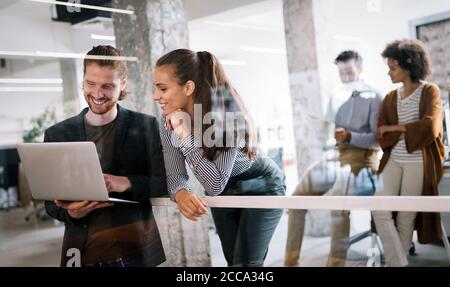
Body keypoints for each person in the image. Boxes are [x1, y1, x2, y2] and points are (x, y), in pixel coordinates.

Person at [153, 48, 285, 266]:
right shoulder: (166, 121)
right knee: (233, 261)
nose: (155, 96)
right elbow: (175, 175)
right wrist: (181, 193)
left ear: (188, 87)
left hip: (262, 184)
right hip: (224, 185)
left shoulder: (225, 115)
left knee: (246, 265)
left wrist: (185, 135)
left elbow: (215, 184)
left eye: (162, 88)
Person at [44, 45, 167, 267]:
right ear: (83, 79)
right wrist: (74, 214)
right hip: (81, 256)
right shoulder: (58, 134)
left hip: (135, 254)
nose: (98, 94)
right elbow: (51, 204)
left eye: (107, 86)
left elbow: (164, 184)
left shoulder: (146, 126)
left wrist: (124, 183)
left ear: (123, 84)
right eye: (91, 83)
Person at [284, 50, 382, 267]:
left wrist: (351, 136)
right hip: (337, 156)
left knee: (338, 205)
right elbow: (328, 131)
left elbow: (377, 139)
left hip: (363, 160)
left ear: (360, 69)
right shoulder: (337, 97)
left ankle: (335, 264)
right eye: (341, 73)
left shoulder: (374, 97)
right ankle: (290, 262)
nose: (345, 77)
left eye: (349, 71)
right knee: (295, 201)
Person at [372, 39, 445, 267]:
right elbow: (381, 134)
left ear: (409, 65)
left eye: (393, 67)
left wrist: (395, 128)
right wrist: (405, 129)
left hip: (418, 161)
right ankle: (399, 263)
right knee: (379, 209)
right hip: (394, 159)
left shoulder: (430, 90)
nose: (389, 73)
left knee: (406, 216)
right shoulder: (390, 97)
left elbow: (431, 126)